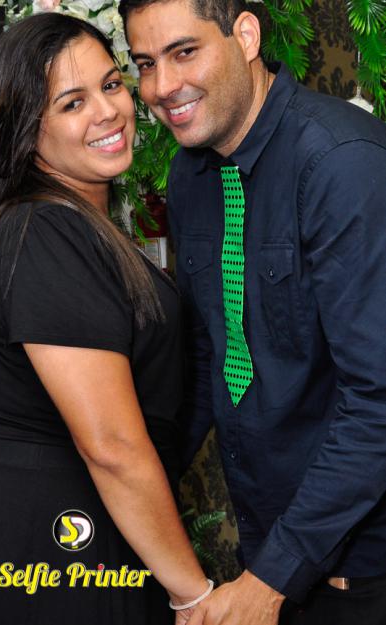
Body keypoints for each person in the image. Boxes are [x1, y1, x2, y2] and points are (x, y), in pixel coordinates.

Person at [0, 13, 212, 625]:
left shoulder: (60, 224)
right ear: (26, 129)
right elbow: (112, 446)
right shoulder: (46, 232)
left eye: (112, 85)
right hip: (35, 556)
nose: (108, 111)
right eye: (73, 103)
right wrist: (194, 596)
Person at [118, 0, 386, 623]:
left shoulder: (341, 162)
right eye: (146, 64)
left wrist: (272, 579)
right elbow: (210, 352)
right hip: (269, 545)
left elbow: (379, 399)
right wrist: (135, 485)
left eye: (185, 52)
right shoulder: (190, 176)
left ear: (245, 36)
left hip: (359, 568)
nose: (162, 87)